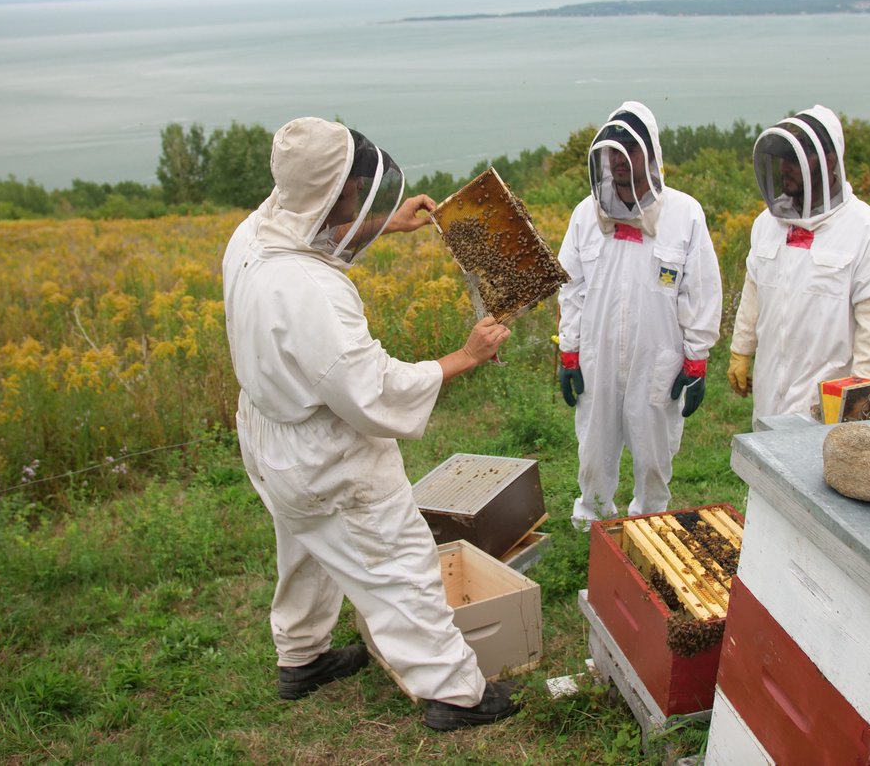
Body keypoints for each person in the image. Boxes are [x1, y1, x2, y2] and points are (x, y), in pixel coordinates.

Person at [222, 116, 521, 731]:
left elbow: (312, 234)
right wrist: (464, 357)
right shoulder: (312, 292)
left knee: (306, 543)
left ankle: (302, 658)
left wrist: (387, 223)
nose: (361, 203)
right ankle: (454, 693)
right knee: (397, 560)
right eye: (356, 194)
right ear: (329, 194)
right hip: (325, 451)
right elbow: (372, 389)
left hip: (269, 436)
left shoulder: (253, 232)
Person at [556, 101, 723, 529]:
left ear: (650, 153)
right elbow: (571, 289)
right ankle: (592, 520)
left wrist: (697, 359)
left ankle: (651, 522)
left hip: (658, 361)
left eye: (630, 148)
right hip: (598, 358)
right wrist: (570, 352)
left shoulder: (685, 214)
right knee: (594, 448)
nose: (619, 159)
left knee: (654, 455)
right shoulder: (584, 215)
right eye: (613, 150)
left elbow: (700, 292)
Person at [727, 105, 870, 425]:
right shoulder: (767, 223)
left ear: (829, 161)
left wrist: (858, 397)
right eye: (784, 160)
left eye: (797, 160)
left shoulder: (866, 230)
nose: (786, 169)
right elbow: (754, 291)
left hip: (825, 404)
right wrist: (741, 350)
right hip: (769, 392)